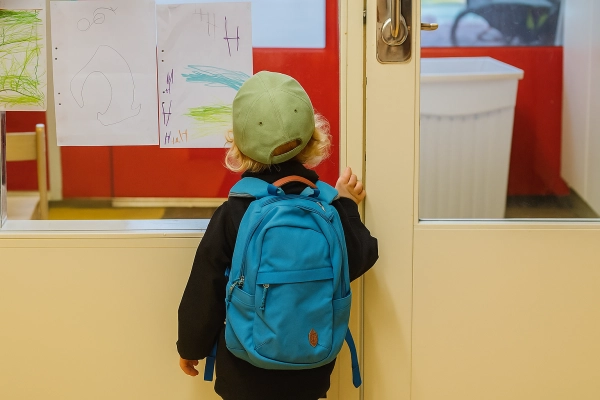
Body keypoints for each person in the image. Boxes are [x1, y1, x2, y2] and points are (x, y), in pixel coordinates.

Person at [177, 71, 378, 400]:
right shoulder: (327, 208)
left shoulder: (235, 212)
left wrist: (191, 346)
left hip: (243, 369)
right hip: (311, 366)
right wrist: (347, 204)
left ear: (238, 147)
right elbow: (359, 258)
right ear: (313, 139)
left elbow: (205, 284)